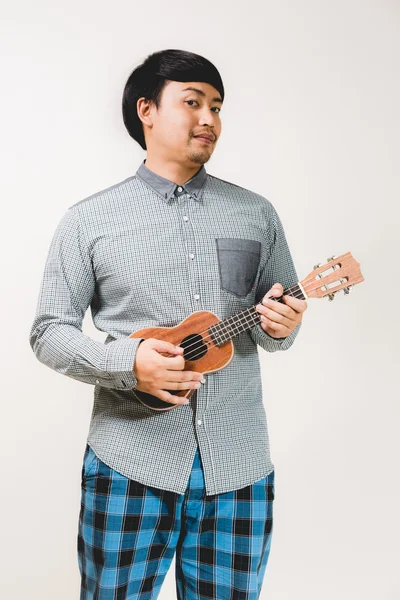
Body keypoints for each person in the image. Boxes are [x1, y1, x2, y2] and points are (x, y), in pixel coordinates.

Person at [29, 48, 307, 599]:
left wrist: (283, 324)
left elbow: (282, 328)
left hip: (239, 466)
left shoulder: (256, 213)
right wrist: (127, 363)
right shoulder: (89, 220)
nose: (209, 119)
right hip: (128, 462)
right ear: (146, 111)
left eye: (217, 106)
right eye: (192, 101)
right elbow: (48, 330)